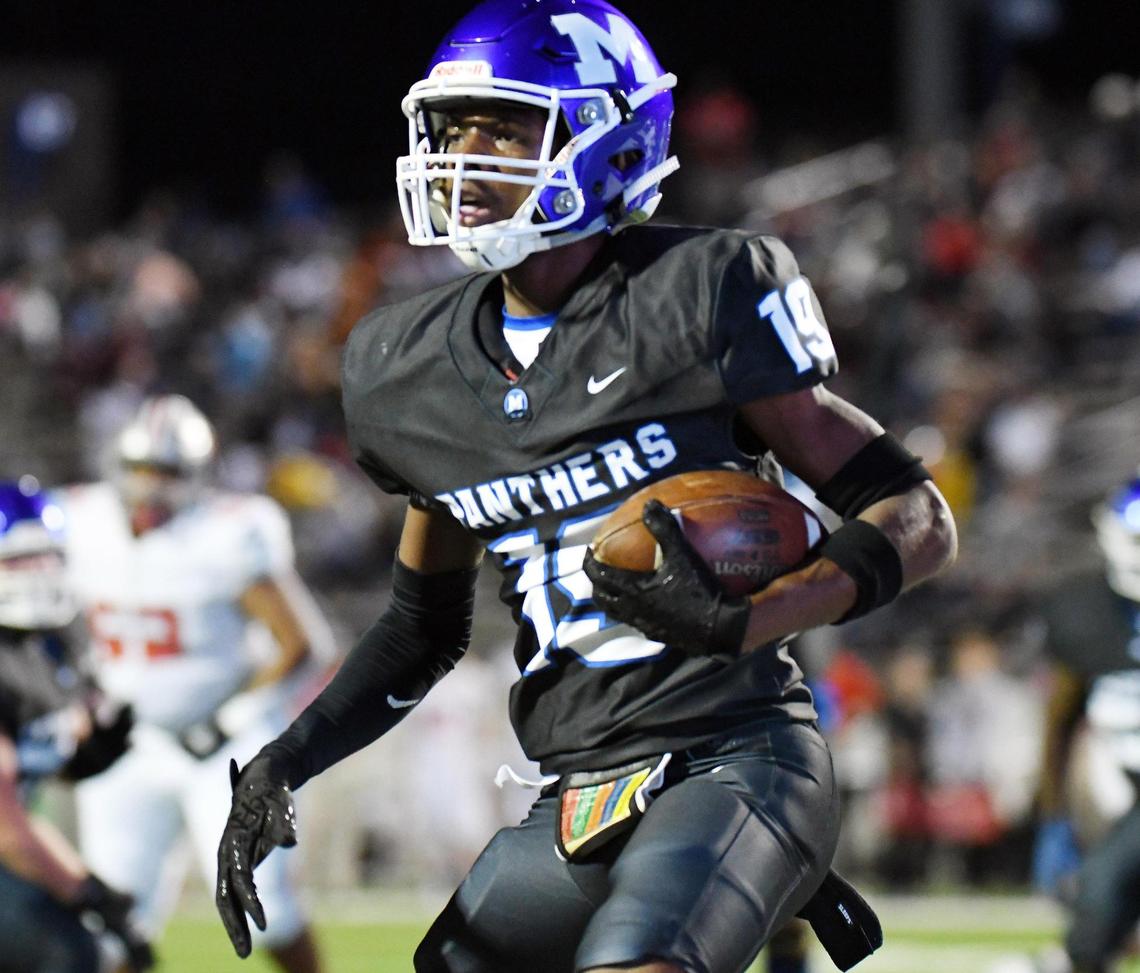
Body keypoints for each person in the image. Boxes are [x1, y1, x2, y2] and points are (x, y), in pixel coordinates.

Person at [214, 3, 957, 972]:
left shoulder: (697, 291)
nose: (466, 158)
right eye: (454, 128)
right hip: (579, 790)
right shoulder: (410, 370)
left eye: (506, 127)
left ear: (606, 142)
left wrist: (759, 616)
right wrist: (285, 761)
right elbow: (419, 629)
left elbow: (916, 515)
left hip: (738, 754)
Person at [61, 394, 332, 973]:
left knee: (268, 906)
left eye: (166, 473)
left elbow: (302, 644)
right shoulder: (79, 524)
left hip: (225, 746)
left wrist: (222, 724)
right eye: (141, 470)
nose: (150, 487)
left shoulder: (227, 532)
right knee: (112, 919)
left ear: (195, 477)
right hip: (125, 744)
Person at [0, 477, 152, 973]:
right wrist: (90, 892)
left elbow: (23, 780)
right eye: (21, 560)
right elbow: (7, 828)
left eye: (47, 556)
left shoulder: (48, 643)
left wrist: (82, 756)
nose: (39, 573)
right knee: (62, 953)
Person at [993, 470, 1140, 973]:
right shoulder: (1084, 609)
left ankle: (1082, 951)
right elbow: (1062, 716)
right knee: (1105, 890)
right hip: (1122, 780)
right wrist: (1055, 818)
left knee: (1107, 885)